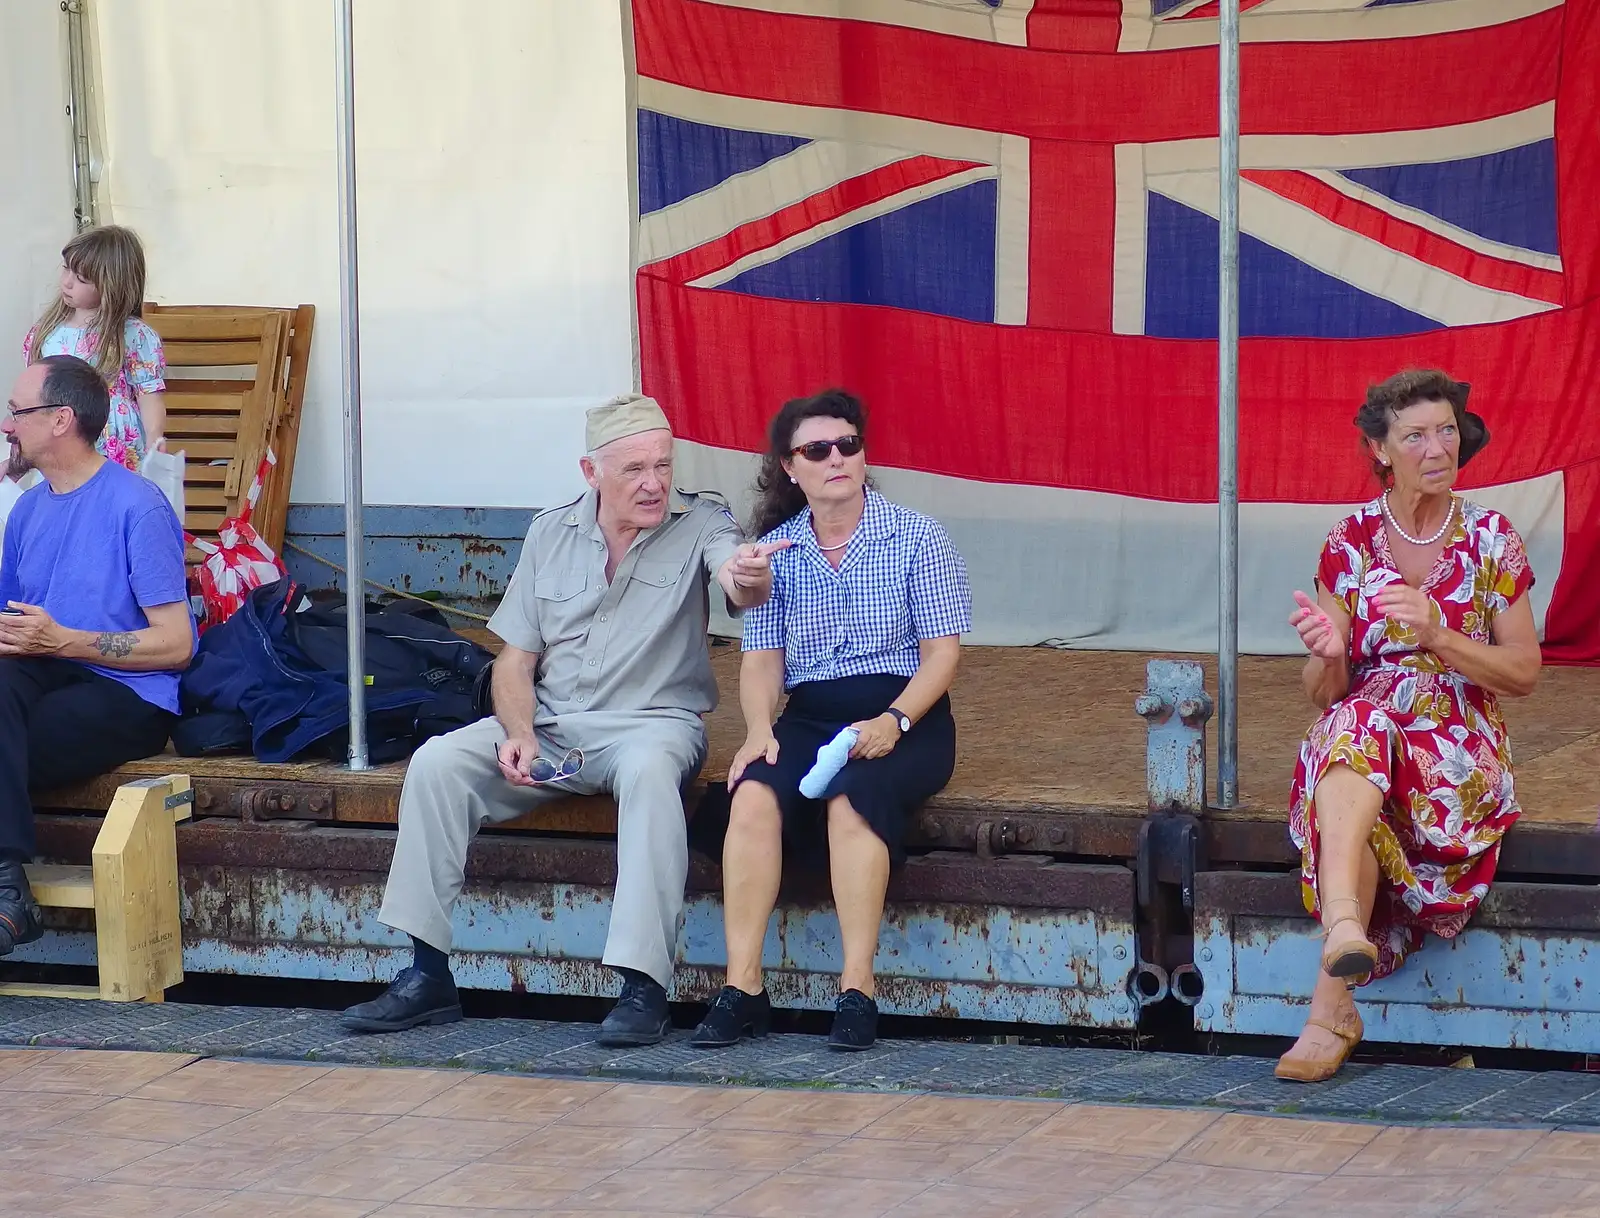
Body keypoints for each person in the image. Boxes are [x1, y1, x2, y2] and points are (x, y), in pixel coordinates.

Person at [340, 394, 787, 1043]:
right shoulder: (552, 531)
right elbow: (515, 663)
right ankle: (427, 974)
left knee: (651, 773)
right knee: (437, 762)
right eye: (634, 469)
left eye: (662, 465)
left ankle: (644, 987)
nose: (654, 482)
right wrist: (519, 733)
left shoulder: (702, 521)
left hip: (652, 721)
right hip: (553, 723)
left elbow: (739, 581)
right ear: (590, 473)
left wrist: (750, 574)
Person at [1275, 369, 1541, 1083]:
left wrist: (1440, 636)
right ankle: (1340, 957)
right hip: (1363, 735)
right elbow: (1321, 692)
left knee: (1352, 738)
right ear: (1380, 449)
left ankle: (1333, 987)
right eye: (1416, 434)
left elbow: (1524, 671)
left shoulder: (1492, 539)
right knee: (1353, 720)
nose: (1437, 447)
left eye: (1447, 429)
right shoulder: (1351, 539)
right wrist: (1329, 655)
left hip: (1457, 744)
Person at [689, 389, 971, 1052]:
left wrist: (894, 722)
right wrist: (759, 729)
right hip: (813, 714)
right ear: (790, 467)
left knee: (853, 796)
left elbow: (943, 656)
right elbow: (761, 662)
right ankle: (744, 986)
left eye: (849, 445)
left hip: (906, 712)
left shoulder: (917, 536)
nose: (838, 458)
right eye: (818, 449)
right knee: (751, 792)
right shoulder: (775, 552)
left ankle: (856, 988)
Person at [0, 355, 194, 953]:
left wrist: (69, 641)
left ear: (61, 419)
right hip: (46, 675)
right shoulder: (27, 508)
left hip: (128, 693)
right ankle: (6, 888)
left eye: (18, 412)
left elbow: (178, 644)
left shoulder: (137, 506)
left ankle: (8, 892)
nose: (8, 426)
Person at [24, 225, 166, 472]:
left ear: (112, 285)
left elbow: (149, 395)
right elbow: (33, 398)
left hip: (117, 448)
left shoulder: (133, 335)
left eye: (81, 278)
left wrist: (155, 437)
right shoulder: (46, 333)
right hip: (60, 442)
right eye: (67, 268)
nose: (67, 282)